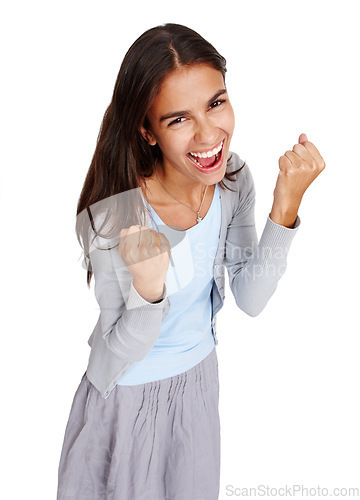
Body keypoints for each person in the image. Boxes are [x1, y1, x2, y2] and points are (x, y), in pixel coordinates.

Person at [57, 23, 325, 500]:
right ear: (147, 130)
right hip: (126, 402)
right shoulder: (113, 218)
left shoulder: (233, 182)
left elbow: (251, 298)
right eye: (178, 119)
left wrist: (285, 208)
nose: (208, 135)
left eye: (216, 103)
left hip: (199, 387)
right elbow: (120, 350)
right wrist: (148, 291)